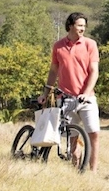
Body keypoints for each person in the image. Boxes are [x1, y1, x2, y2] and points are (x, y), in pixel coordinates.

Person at [41, 12, 100, 173]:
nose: (82, 29)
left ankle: (93, 172)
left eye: (84, 26)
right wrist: (45, 93)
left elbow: (94, 72)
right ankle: (76, 171)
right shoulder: (58, 46)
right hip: (66, 98)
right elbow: (53, 71)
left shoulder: (90, 44)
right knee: (72, 136)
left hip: (87, 98)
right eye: (79, 25)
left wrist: (86, 93)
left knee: (94, 133)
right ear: (70, 25)